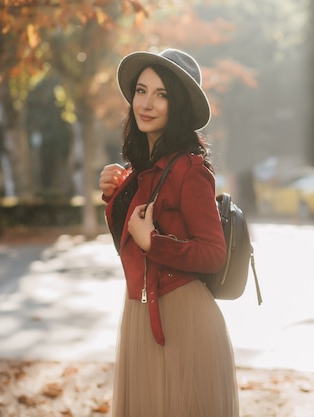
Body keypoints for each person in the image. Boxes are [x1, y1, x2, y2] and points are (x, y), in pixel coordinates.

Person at [99, 48, 239, 417]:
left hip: (184, 320)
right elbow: (128, 246)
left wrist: (154, 243)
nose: (147, 103)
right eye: (142, 91)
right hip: (139, 315)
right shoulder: (140, 170)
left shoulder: (190, 170)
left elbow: (214, 252)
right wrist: (113, 195)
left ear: (177, 107)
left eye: (162, 95)